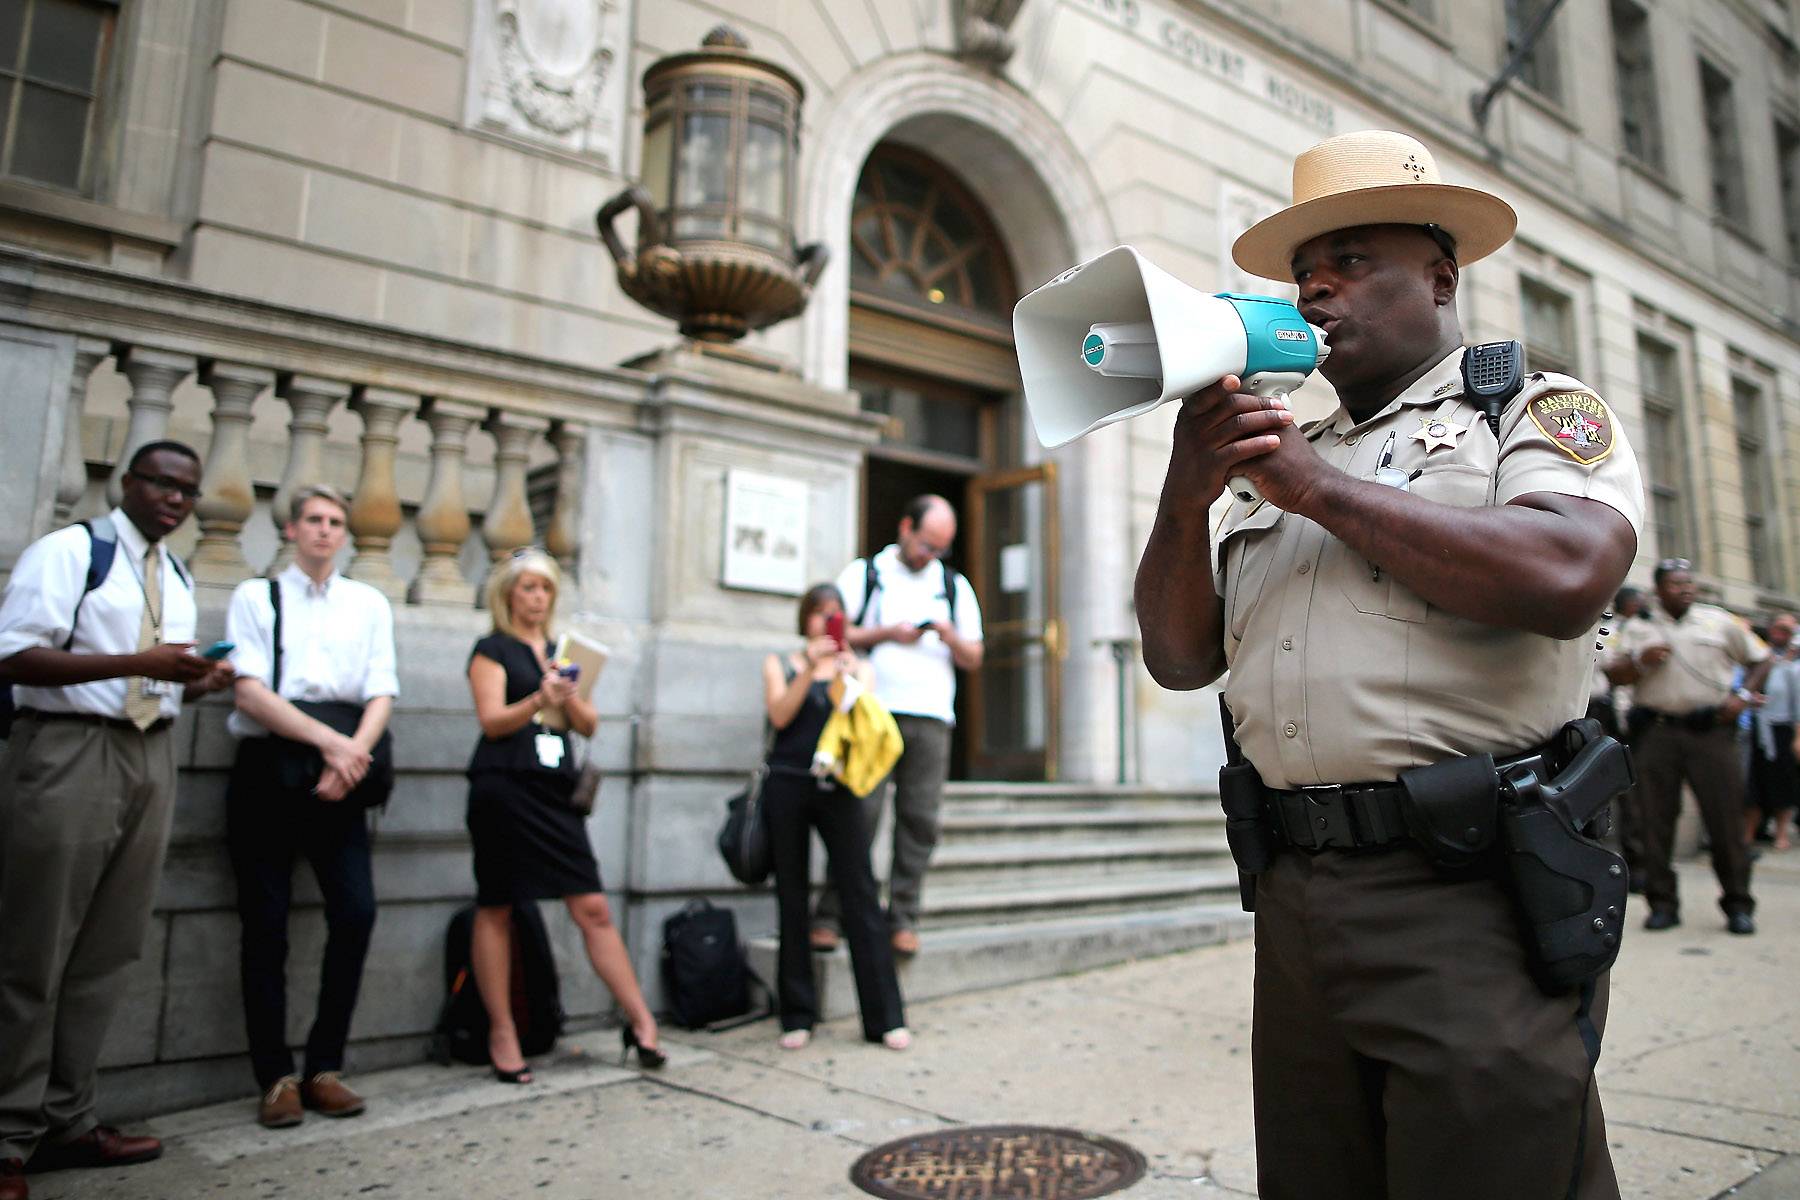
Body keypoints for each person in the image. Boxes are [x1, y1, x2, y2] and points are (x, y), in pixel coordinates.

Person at [1135, 130, 1643, 1198]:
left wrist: (1318, 489)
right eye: (1306, 274)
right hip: (1298, 898)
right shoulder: (1285, 452)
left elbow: (1566, 572)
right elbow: (1181, 659)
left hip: (1468, 890)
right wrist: (1186, 494)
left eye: (1354, 261)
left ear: (1442, 277)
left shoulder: (1530, 409)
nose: (1318, 290)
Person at [0, 441, 235, 1200]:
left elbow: (156, 682)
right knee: (33, 948)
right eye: (163, 484)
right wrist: (138, 664)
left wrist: (197, 680)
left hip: (148, 755)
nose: (175, 499)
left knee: (109, 949)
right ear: (125, 482)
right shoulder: (72, 553)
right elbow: (13, 657)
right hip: (71, 753)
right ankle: (7, 1138)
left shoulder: (173, 570)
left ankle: (68, 1119)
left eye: (189, 491)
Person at [223, 485, 397, 1128]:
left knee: (356, 912)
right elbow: (249, 693)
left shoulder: (368, 603)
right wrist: (333, 747)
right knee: (264, 926)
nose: (325, 531)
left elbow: (382, 690)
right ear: (291, 530)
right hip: (273, 770)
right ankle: (275, 1078)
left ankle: (325, 1066)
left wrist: (351, 758)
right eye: (314, 520)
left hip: (344, 777)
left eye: (336, 522)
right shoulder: (257, 596)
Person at [464, 549, 662, 1081]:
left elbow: (590, 725)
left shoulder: (563, 651)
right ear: (508, 594)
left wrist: (567, 695)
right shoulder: (492, 650)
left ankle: (641, 1022)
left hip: (555, 792)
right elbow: (491, 722)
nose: (536, 597)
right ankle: (502, 1031)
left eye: (545, 589)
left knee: (592, 904)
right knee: (498, 905)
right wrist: (536, 698)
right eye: (527, 587)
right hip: (505, 785)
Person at [812, 495, 983, 957]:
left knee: (920, 821)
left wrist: (946, 633)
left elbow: (975, 657)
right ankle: (832, 914)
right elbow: (831, 634)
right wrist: (887, 633)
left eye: (939, 549)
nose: (930, 555)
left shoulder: (953, 585)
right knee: (858, 817)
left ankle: (903, 918)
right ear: (906, 527)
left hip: (931, 717)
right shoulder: (865, 572)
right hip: (871, 712)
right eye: (926, 544)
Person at [763, 584, 909, 1051]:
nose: (827, 621)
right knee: (791, 895)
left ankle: (885, 1018)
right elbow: (780, 715)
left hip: (840, 786)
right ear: (805, 618)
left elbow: (860, 723)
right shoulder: (781, 663)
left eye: (836, 614)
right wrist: (809, 667)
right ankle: (797, 1015)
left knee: (861, 893)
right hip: (786, 782)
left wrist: (845, 677)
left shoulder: (859, 666)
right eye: (819, 614)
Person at [1612, 560, 1769, 934]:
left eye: (1689, 582)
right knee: (1654, 821)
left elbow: (1761, 658)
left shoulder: (1718, 621)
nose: (1685, 588)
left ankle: (1738, 904)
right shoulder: (1638, 626)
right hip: (1658, 734)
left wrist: (1742, 696)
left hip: (1711, 732)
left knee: (1725, 821)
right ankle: (1662, 904)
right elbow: (1614, 674)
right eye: (1675, 583)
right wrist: (1639, 661)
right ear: (1658, 590)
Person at [1743, 614, 1799, 850]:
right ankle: (1748, 833)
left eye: (1787, 630)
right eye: (1777, 628)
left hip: (1782, 728)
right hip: (1755, 726)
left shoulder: (1794, 668)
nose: (1780, 634)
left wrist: (1798, 736)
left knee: (1782, 783)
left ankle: (1781, 832)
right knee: (1753, 784)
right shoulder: (1758, 658)